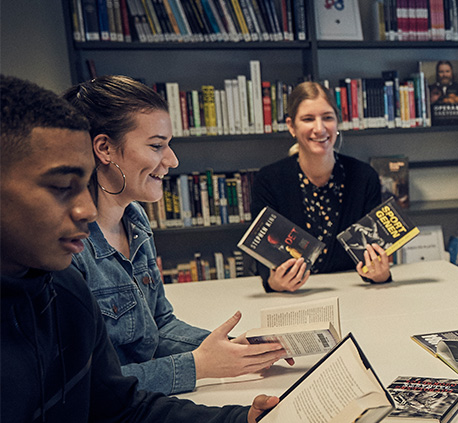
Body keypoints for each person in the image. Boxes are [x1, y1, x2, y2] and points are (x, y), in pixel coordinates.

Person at [1, 74, 335, 423]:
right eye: (61, 187)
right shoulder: (68, 271)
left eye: (83, 186)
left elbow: (117, 410)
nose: (84, 210)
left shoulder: (61, 288)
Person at [63, 75, 289, 395]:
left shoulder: (135, 218)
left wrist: (237, 350)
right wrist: (200, 365)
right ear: (104, 149)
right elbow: (89, 386)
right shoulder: (66, 250)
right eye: (157, 146)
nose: (172, 160)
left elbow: (160, 326)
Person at [252, 81, 391, 292]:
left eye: (327, 117)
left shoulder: (364, 177)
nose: (320, 128)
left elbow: (374, 252)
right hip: (293, 299)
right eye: (308, 119)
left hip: (355, 295)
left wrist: (381, 275)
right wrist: (274, 283)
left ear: (337, 122)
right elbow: (264, 256)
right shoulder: (268, 180)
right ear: (291, 126)